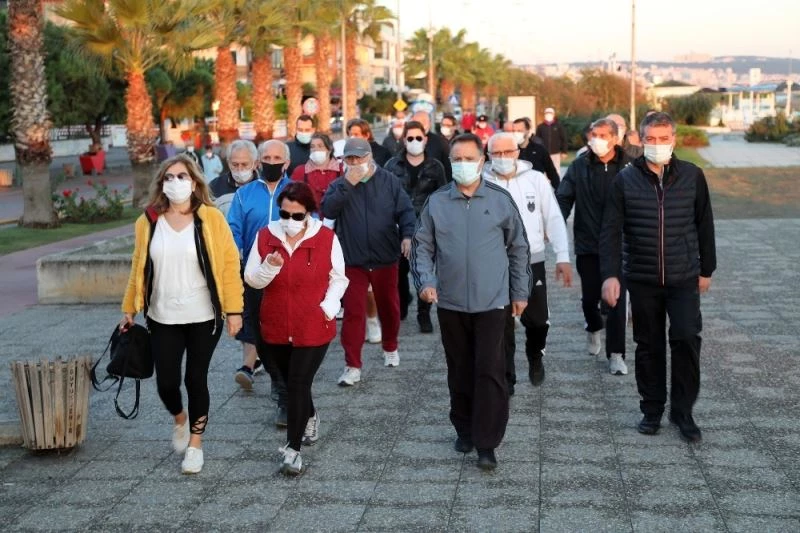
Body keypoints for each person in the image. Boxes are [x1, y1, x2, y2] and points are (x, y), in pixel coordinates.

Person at [411, 133, 531, 470]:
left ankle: (487, 442)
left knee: (490, 371)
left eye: (469, 158)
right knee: (460, 368)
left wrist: (520, 292)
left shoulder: (500, 200)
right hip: (451, 303)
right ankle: (464, 428)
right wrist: (426, 282)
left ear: (482, 161)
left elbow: (519, 248)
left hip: (493, 302)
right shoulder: (437, 203)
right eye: (457, 159)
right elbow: (422, 247)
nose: (463, 164)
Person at [121, 154, 244, 474]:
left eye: (182, 176)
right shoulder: (148, 221)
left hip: (204, 315)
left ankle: (195, 445)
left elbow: (229, 264)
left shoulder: (211, 218)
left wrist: (234, 310)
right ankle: (180, 418)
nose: (176, 182)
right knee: (166, 382)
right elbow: (138, 266)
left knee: (195, 378)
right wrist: (129, 307)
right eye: (169, 177)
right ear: (161, 183)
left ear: (194, 182)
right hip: (162, 316)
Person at [600, 112, 716, 443]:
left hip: (683, 277)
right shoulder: (625, 180)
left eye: (664, 139)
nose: (657, 145)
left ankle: (683, 412)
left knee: (686, 339)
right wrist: (610, 275)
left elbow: (704, 223)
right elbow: (611, 231)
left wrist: (707, 269)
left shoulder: (692, 176)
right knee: (648, 345)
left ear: (673, 140)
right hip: (643, 277)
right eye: (651, 139)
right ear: (640, 139)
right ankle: (651, 409)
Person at [244, 182, 348, 476]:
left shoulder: (326, 237)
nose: (289, 221)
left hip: (313, 325)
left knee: (298, 383)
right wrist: (269, 266)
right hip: (276, 324)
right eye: (284, 214)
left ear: (309, 213)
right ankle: (310, 414)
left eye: (297, 215)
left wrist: (327, 307)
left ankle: (293, 450)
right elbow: (252, 279)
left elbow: (339, 278)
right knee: (291, 382)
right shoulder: (265, 236)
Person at [321, 138, 415, 385]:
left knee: (389, 307)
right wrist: (347, 185)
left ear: (370, 156)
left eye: (359, 157)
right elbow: (328, 210)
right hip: (353, 260)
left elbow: (405, 210)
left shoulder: (389, 181)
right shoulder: (339, 184)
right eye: (350, 158)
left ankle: (390, 346)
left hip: (385, 257)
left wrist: (407, 235)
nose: (355, 163)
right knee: (354, 313)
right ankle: (352, 365)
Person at [482, 132, 572, 392]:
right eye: (496, 153)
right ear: (488, 156)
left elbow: (553, 217)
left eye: (507, 152)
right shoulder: (482, 183)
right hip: (495, 263)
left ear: (517, 152)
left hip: (532, 260)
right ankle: (507, 377)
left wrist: (563, 256)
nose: (502, 157)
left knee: (538, 320)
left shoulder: (535, 180)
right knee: (502, 323)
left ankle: (535, 355)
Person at [557, 118, 632, 376]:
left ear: (615, 138)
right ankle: (593, 327)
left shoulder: (630, 166)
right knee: (591, 298)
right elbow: (563, 197)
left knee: (616, 300)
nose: (596, 140)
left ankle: (616, 354)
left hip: (620, 244)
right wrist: (555, 223)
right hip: (588, 243)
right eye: (593, 135)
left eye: (602, 135)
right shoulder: (579, 166)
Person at [227, 140, 292, 426]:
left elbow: (311, 225)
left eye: (277, 157)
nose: (271, 162)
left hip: (289, 274)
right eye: (267, 157)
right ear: (258, 162)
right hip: (253, 274)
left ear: (286, 163)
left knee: (286, 333)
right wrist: (235, 259)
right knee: (260, 333)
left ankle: (285, 394)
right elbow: (233, 230)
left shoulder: (296, 191)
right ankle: (275, 379)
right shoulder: (243, 195)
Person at [384, 120, 447, 331]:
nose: (414, 141)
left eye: (418, 138)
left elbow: (442, 196)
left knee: (424, 271)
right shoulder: (392, 165)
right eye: (410, 138)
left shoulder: (435, 166)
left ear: (425, 139)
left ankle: (424, 313)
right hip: (397, 226)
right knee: (399, 272)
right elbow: (385, 195)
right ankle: (402, 305)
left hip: (426, 226)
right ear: (404, 140)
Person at [290, 133, 342, 214]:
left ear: (329, 149)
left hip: (337, 218)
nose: (315, 149)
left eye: (320, 146)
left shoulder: (341, 170)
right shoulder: (300, 171)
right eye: (312, 146)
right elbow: (291, 197)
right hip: (309, 218)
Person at [209, 140, 259, 216]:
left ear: (255, 164)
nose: (239, 169)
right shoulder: (215, 186)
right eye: (235, 165)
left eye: (244, 164)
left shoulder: (265, 186)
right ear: (228, 163)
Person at [512, 117, 561, 190]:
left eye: (519, 131)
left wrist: (559, 192)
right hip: (516, 191)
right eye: (514, 131)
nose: (516, 133)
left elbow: (552, 174)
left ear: (528, 130)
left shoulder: (539, 150)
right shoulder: (510, 152)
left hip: (536, 190)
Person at [411, 111, 452, 181]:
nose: (421, 124)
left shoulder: (440, 142)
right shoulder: (405, 141)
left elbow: (448, 169)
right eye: (417, 122)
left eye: (424, 121)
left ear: (429, 123)